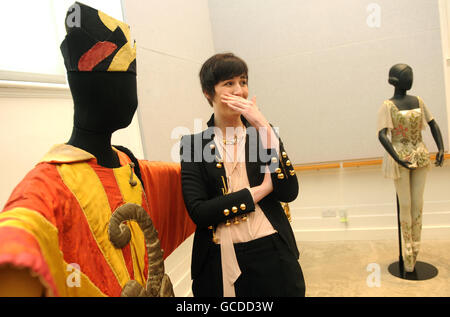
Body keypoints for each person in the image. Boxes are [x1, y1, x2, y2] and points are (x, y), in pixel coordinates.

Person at [0, 2, 194, 297]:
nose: (132, 100)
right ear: (92, 92)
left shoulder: (128, 166)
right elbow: (18, 234)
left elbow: (188, 179)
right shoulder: (48, 187)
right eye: (124, 88)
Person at [180, 53, 305, 297]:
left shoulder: (263, 134)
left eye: (244, 82)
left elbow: (289, 191)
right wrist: (260, 190)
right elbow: (200, 212)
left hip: (273, 251)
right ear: (208, 92)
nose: (240, 91)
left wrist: (262, 125)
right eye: (229, 83)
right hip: (217, 258)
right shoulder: (194, 145)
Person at [378, 63, 445, 272]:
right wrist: (396, 159)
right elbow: (382, 134)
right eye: (407, 76)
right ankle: (407, 254)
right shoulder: (387, 106)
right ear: (396, 80)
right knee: (405, 205)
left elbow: (433, 123)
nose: (411, 79)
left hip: (421, 156)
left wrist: (441, 148)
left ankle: (415, 250)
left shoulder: (419, 101)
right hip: (400, 156)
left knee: (418, 204)